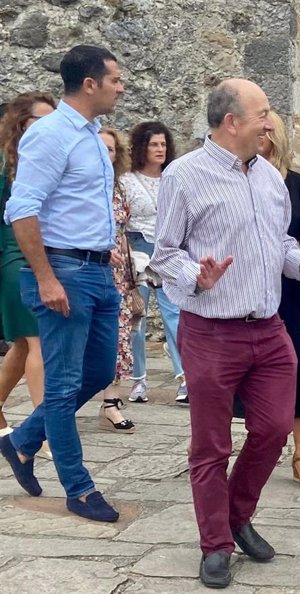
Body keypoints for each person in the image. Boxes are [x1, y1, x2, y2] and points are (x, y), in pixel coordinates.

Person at [149, 78, 300, 589]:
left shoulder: (270, 178)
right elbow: (164, 255)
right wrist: (194, 276)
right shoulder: (183, 176)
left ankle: (237, 514)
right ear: (232, 122)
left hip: (269, 330)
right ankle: (215, 545)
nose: (271, 122)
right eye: (263, 113)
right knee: (211, 446)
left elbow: (281, 248)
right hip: (210, 331)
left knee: (273, 430)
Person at [0, 45, 124, 523]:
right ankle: (78, 487)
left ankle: (22, 441)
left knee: (97, 373)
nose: (121, 85)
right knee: (64, 382)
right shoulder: (50, 135)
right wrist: (46, 278)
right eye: (115, 78)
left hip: (97, 271)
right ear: (89, 83)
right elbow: (22, 208)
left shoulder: (92, 135)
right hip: (63, 272)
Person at [259, 111, 300, 490]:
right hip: (248, 289)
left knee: (298, 367)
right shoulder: (237, 179)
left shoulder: (296, 186)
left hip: (291, 290)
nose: (261, 136)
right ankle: (257, 446)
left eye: (269, 131)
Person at [0, 92, 56, 462]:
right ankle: (45, 433)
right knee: (38, 341)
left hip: (39, 254)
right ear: (22, 124)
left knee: (22, 345)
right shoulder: (6, 165)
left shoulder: (44, 160)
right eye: (43, 119)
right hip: (12, 257)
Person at [122, 121, 186, 405]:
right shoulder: (126, 180)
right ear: (142, 148)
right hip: (136, 248)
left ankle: (185, 378)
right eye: (153, 144)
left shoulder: (174, 177)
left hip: (167, 249)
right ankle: (138, 380)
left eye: (163, 144)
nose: (159, 149)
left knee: (175, 313)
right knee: (138, 315)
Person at [98, 127, 135, 433]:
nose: (105, 154)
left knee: (119, 337)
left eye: (110, 149)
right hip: (90, 269)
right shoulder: (80, 185)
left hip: (120, 274)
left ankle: (111, 401)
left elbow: (122, 230)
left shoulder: (118, 187)